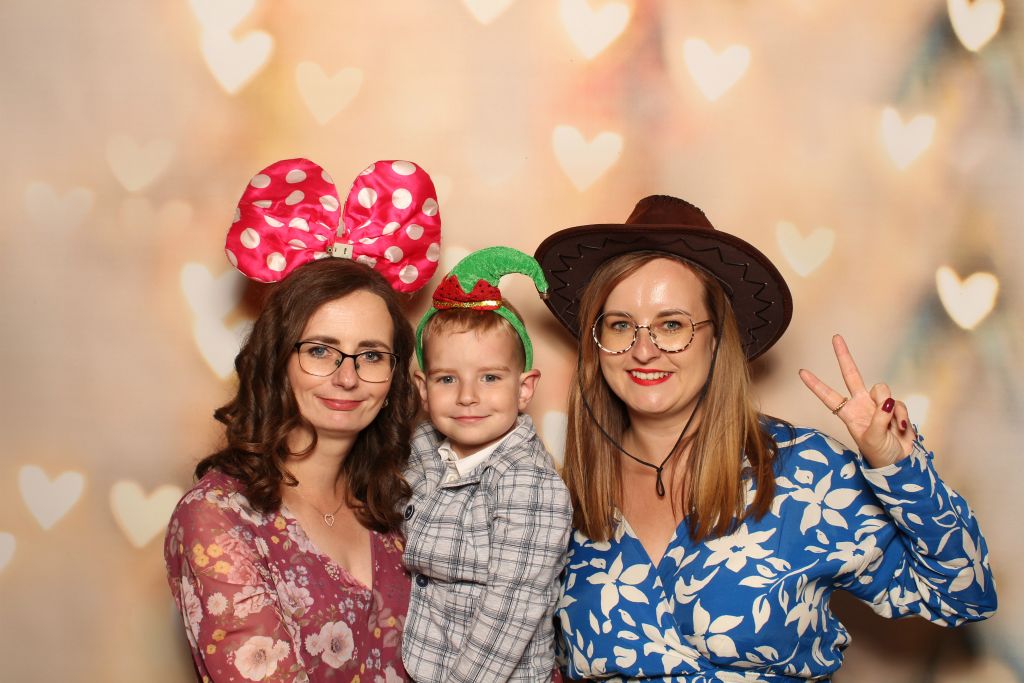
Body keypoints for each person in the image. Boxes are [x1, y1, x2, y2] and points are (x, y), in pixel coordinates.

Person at [533, 195, 997, 680]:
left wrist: (899, 471)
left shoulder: (805, 473)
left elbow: (965, 594)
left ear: (717, 339)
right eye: (620, 325)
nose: (643, 350)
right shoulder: (563, 497)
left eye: (672, 325)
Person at [164, 157, 442, 682]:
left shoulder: (403, 508)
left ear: (396, 376)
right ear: (277, 361)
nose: (347, 377)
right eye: (320, 350)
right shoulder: (219, 517)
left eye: (371, 355)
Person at [401, 247, 573, 682]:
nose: (467, 396)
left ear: (524, 389)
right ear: (423, 388)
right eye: (447, 379)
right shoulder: (425, 449)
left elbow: (511, 611)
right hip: (424, 664)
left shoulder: (528, 483)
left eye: (490, 377)